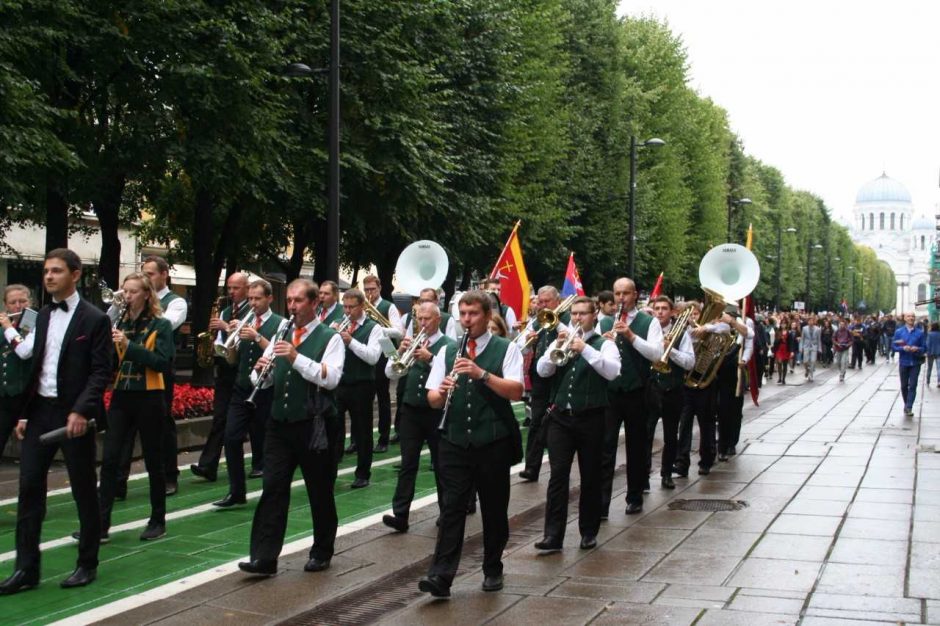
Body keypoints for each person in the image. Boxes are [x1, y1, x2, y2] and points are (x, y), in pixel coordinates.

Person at [0, 249, 112, 594]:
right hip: (40, 412)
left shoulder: (95, 319)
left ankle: (87, 563)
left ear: (75, 275)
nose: (49, 277)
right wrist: (23, 412)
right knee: (29, 487)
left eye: (57, 271)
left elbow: (100, 372)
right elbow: (33, 364)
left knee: (82, 489)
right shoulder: (43, 315)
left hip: (73, 414)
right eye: (46, 271)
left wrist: (81, 410)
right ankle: (26, 569)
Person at [418, 291, 524, 598]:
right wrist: (441, 390)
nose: (467, 320)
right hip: (453, 440)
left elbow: (516, 391)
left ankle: (492, 566)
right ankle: (441, 576)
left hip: (492, 442)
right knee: (451, 508)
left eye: (473, 314)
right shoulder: (448, 351)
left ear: (488, 316)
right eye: (462, 314)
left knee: (493, 508)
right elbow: (433, 400)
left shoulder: (507, 348)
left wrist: (481, 374)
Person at [238, 279, 345, 576]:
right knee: (272, 488)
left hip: (315, 425)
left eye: (299, 301)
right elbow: (266, 380)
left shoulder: (330, 337)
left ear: (313, 304)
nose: (293, 307)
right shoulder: (283, 331)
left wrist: (297, 358)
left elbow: (330, 378)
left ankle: (322, 550)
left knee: (319, 490)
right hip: (280, 423)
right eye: (290, 301)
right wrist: (260, 372)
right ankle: (264, 557)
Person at [534, 296, 620, 551]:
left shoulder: (604, 344)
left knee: (590, 474)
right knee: (558, 476)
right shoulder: (562, 339)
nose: (577, 318)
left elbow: (612, 372)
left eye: (583, 313)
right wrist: (554, 351)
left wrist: (585, 349)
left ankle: (588, 531)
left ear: (594, 315)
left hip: (591, 417)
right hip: (561, 417)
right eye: (574, 314)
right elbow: (542, 371)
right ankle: (553, 535)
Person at [93, 272, 174, 542]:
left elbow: (162, 362)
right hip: (121, 395)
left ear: (146, 295)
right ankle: (100, 524)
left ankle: (157, 520)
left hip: (150, 396)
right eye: (125, 291)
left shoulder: (160, 325)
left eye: (133, 292)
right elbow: (111, 363)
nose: (127, 296)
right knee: (110, 459)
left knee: (153, 459)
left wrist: (129, 346)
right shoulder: (120, 321)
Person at [381, 302, 456, 532]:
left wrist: (430, 358)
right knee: (408, 463)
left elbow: (452, 373)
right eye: (419, 319)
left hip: (436, 411)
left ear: (438, 320)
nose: (422, 323)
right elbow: (390, 372)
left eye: (427, 319)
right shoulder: (410, 342)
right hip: (411, 411)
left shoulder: (448, 346)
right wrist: (400, 353)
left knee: (441, 464)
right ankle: (400, 515)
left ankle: (447, 513)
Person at [213, 279, 284, 508]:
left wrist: (255, 336)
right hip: (242, 387)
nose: (253, 303)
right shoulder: (245, 322)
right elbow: (233, 360)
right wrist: (231, 341)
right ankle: (236, 491)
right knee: (231, 438)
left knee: (266, 444)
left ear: (269, 299)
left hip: (266, 390)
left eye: (258, 298)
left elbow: (278, 353)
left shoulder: (280, 323)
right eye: (251, 298)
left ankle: (271, 493)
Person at [600, 278, 663, 516]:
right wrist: (601, 344)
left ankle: (634, 496)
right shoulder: (604, 320)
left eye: (626, 293)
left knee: (637, 447)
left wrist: (631, 337)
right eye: (617, 294)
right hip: (610, 392)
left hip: (638, 391)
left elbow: (657, 354)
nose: (621, 298)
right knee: (605, 448)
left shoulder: (650, 322)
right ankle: (602, 503)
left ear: (635, 295)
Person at [191, 272, 252, 483]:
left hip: (243, 371)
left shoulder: (251, 312)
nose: (232, 292)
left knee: (254, 422)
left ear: (246, 288)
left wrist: (226, 328)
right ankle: (208, 465)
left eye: (236, 288)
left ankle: (260, 463)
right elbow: (219, 342)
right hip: (225, 371)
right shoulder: (226, 311)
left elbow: (249, 339)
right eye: (229, 288)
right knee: (220, 418)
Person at [333, 288, 383, 488]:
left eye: (351, 307)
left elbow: (372, 357)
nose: (347, 311)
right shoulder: (339, 323)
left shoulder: (374, 328)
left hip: (362, 385)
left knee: (362, 431)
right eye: (344, 307)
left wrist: (350, 341)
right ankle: (330, 470)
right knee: (334, 428)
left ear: (362, 306)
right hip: (339, 384)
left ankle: (363, 473)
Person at [519, 286, 569, 482]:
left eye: (546, 302)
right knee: (537, 421)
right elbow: (520, 348)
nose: (542, 305)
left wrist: (555, 322)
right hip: (540, 377)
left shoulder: (567, 319)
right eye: (540, 302)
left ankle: (560, 466)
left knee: (559, 422)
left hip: (561, 375)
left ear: (557, 301)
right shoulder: (536, 321)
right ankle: (531, 467)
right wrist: (529, 341)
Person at [362, 275, 403, 453]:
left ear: (379, 288)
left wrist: (378, 329)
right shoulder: (362, 306)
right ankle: (360, 439)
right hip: (367, 352)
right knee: (364, 398)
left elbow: (398, 332)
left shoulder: (389, 306)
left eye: (372, 289)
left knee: (383, 397)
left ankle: (383, 438)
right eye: (367, 290)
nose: (369, 293)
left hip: (385, 352)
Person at [0, 285, 34, 460]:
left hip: (26, 397)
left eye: (22, 301)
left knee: (31, 451)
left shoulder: (34, 325)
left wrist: (8, 327)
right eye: (13, 302)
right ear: (6, 305)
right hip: (4, 396)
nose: (18, 306)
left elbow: (25, 352)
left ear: (30, 302)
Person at [893, 312, 925, 418]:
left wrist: (918, 349)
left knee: (913, 385)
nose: (911, 318)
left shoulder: (920, 333)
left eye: (912, 316)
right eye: (909, 316)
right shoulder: (899, 332)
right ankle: (906, 403)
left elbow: (924, 347)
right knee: (903, 386)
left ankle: (909, 406)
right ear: (905, 319)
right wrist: (902, 348)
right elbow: (894, 346)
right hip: (904, 362)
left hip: (915, 362)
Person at [832, 316, 853, 382]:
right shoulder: (836, 331)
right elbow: (833, 338)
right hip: (838, 348)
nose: (841, 325)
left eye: (843, 324)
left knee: (843, 361)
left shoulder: (848, 331)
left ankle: (841, 375)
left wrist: (848, 344)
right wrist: (836, 343)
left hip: (845, 348)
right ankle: (842, 371)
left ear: (845, 325)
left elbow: (851, 340)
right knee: (838, 362)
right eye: (840, 324)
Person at [801, 315, 820, 382]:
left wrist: (819, 348)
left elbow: (818, 339)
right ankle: (807, 370)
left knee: (813, 361)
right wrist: (801, 347)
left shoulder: (818, 329)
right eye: (809, 321)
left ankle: (811, 375)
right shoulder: (804, 328)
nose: (811, 322)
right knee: (805, 361)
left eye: (812, 321)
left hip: (814, 346)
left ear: (814, 321)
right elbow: (802, 339)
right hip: (806, 346)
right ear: (808, 322)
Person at [927, 322, 940, 387]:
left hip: (930, 353)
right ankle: (939, 382)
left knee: (929, 368)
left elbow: (928, 344)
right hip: (939, 353)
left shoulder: (930, 334)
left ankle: (928, 381)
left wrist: (927, 352)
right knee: (939, 368)